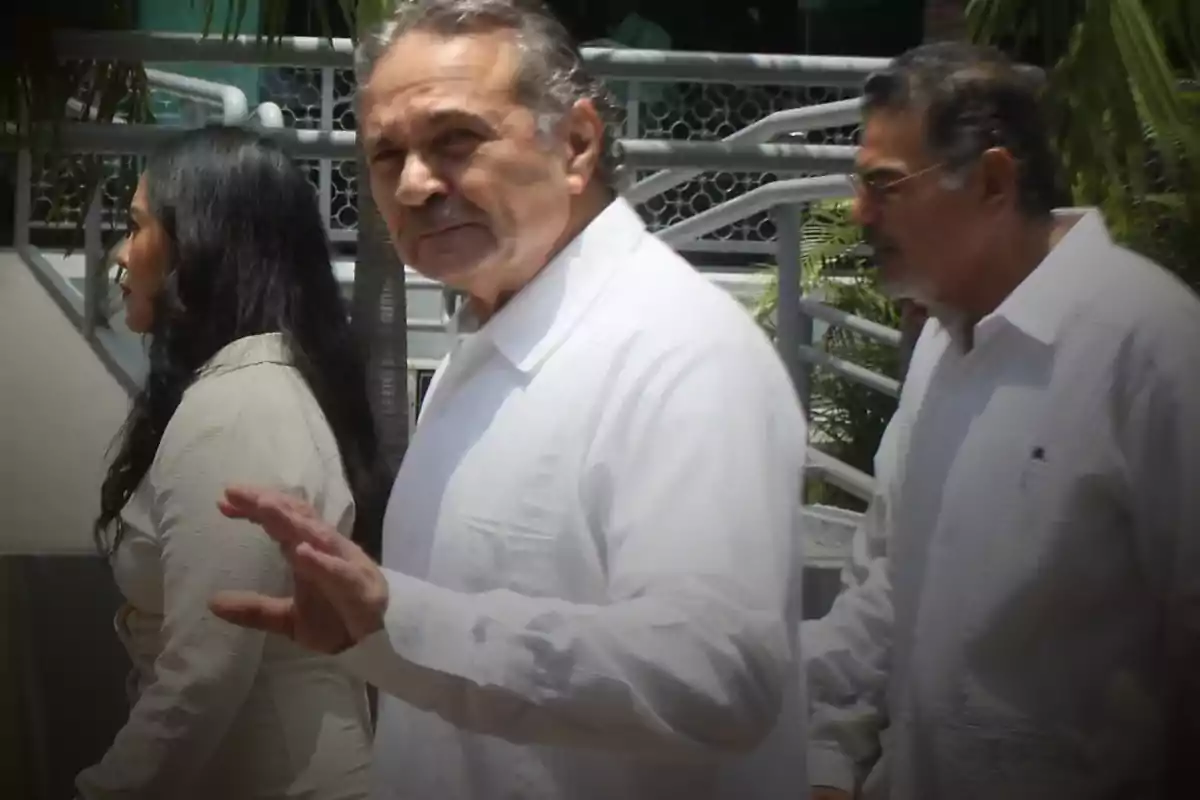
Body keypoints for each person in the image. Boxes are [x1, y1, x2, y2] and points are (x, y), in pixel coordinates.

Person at [209, 1, 810, 798]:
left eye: (455, 140)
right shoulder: (487, 339)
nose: (416, 184)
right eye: (386, 155)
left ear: (576, 143)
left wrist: (407, 620)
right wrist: (374, 635)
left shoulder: (681, 353)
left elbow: (718, 674)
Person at [803, 42, 1200, 799]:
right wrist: (826, 758)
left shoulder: (1152, 348)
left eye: (884, 187)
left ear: (991, 181)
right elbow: (885, 581)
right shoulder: (940, 343)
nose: (859, 214)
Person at [77, 125, 382, 800]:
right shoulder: (254, 385)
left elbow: (202, 678)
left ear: (199, 243)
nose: (122, 255)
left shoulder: (236, 410)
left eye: (136, 226)